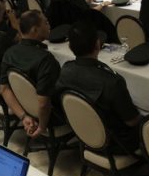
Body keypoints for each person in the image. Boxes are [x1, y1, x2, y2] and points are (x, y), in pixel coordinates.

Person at [57, 21, 141, 152]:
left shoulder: (66, 69)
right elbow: (132, 121)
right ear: (97, 44)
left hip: (82, 132)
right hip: (115, 142)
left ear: (69, 46)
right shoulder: (112, 81)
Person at [0, 11, 60, 138]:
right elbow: (43, 103)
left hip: (23, 107)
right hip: (51, 117)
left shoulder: (9, 53)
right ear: (35, 30)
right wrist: (42, 127)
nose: (49, 25)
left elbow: (4, 89)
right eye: (46, 23)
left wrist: (23, 116)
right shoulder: (46, 59)